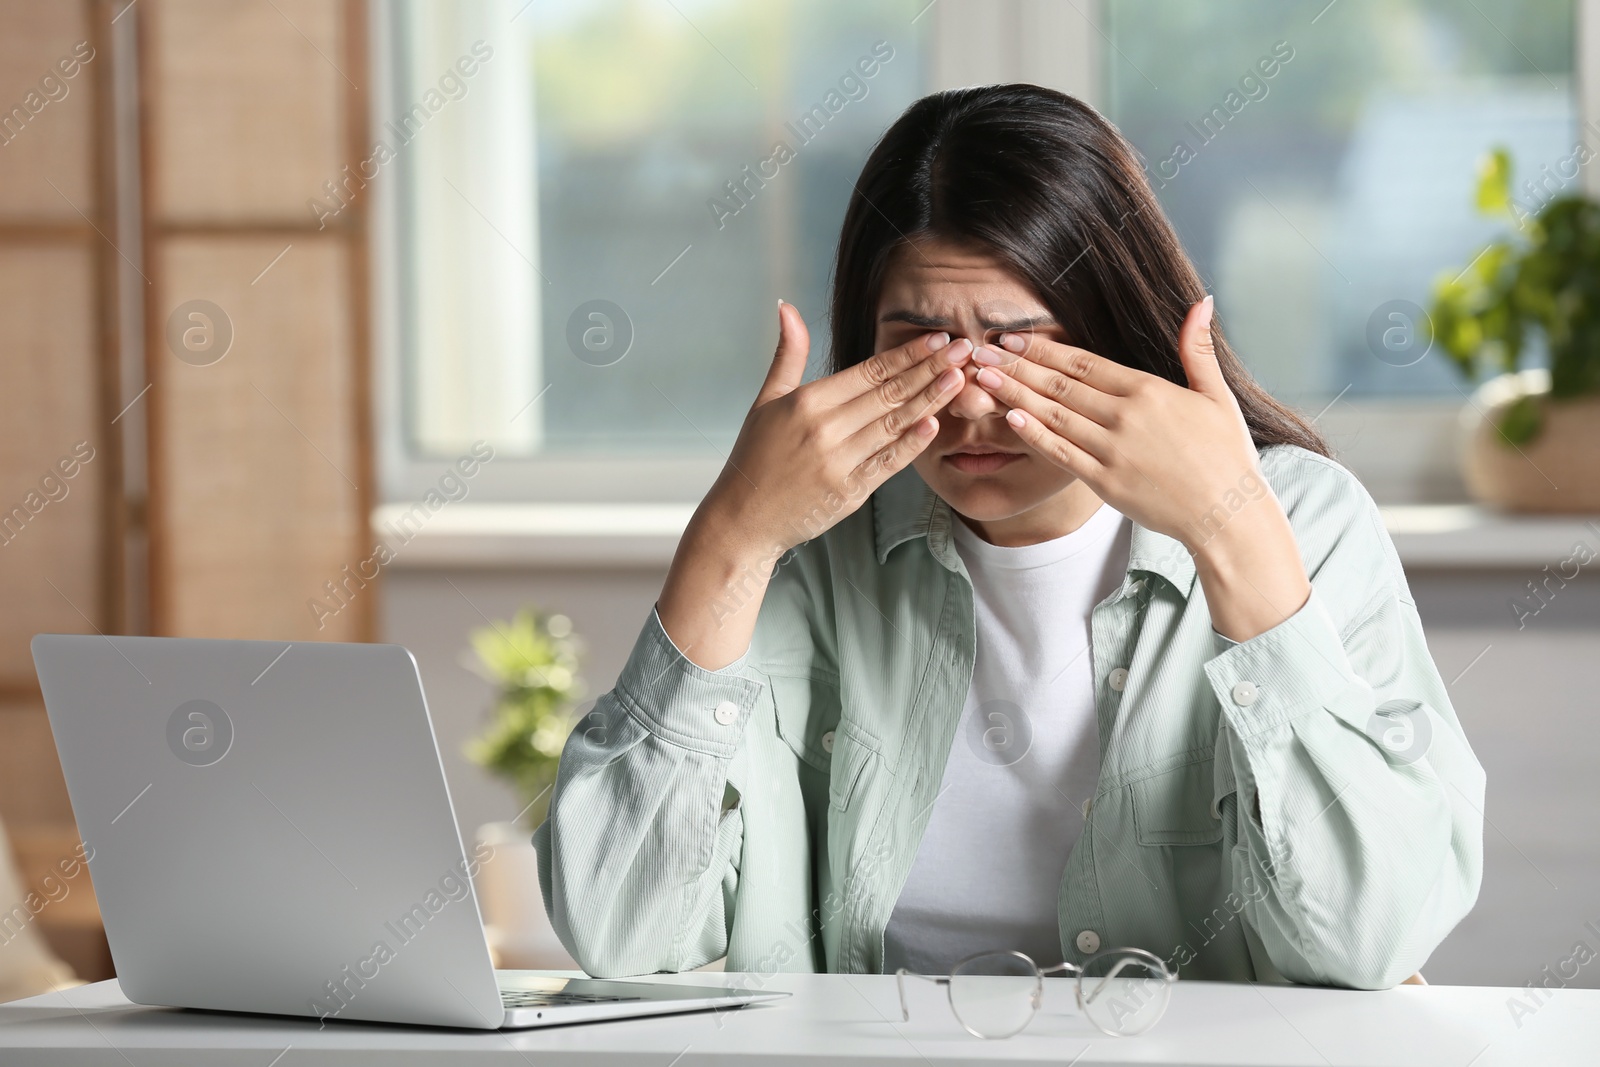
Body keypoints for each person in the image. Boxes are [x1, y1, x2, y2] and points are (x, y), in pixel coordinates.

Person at [533, 84, 1484, 989]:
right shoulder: (811, 547)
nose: (971, 401)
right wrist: (731, 535)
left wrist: (1228, 530)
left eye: (1020, 349)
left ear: (1118, 335)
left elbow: (1373, 935)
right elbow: (624, 928)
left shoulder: (1308, 521)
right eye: (921, 347)